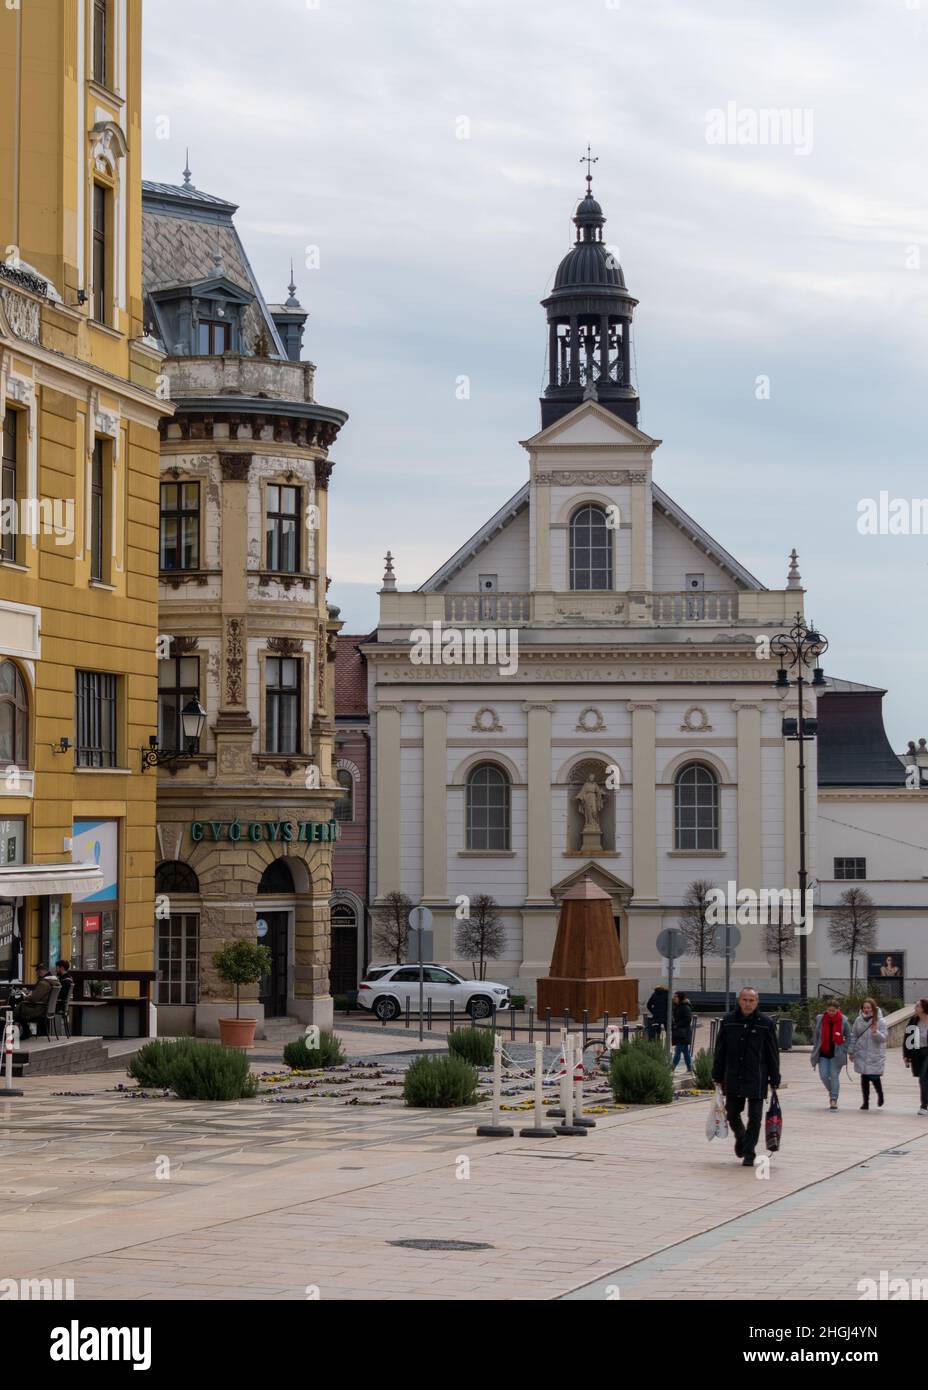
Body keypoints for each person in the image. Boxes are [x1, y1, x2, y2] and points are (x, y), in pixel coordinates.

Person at [712, 986, 781, 1167]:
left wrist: (775, 1078)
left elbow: (772, 1053)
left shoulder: (765, 1023)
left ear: (757, 1002)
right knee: (732, 1113)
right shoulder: (728, 1022)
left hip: (757, 1076)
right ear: (739, 1001)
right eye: (745, 999)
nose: (748, 1003)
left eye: (752, 1000)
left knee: (755, 1116)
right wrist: (717, 1074)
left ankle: (749, 1152)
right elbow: (720, 1050)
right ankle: (741, 1138)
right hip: (734, 1075)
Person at [810, 998, 851, 1110]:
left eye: (833, 1010)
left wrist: (844, 1048)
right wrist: (815, 1045)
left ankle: (833, 1098)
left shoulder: (843, 1020)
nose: (831, 1012)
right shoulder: (820, 1019)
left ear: (838, 1010)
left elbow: (849, 1036)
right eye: (829, 1010)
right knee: (823, 1076)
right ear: (826, 1009)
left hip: (836, 1054)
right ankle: (832, 1090)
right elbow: (816, 1035)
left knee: (834, 1076)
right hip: (823, 1053)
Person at [849, 998, 888, 1109]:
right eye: (865, 1007)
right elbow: (854, 1035)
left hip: (874, 1053)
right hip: (861, 1053)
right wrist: (851, 1051)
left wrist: (876, 1033)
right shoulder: (858, 1020)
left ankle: (880, 1094)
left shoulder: (880, 1021)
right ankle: (865, 1102)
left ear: (874, 1008)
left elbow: (884, 1038)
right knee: (864, 1077)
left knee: (875, 1077)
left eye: (869, 1008)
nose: (866, 1010)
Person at [11, 963, 56, 1040]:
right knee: (19, 1010)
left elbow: (34, 998)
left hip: (38, 1009)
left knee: (17, 1011)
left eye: (38, 972)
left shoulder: (44, 983)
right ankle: (26, 1032)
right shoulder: (53, 981)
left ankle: (23, 1032)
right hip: (44, 1008)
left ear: (43, 971)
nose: (37, 974)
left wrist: (26, 997)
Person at [902, 997, 928, 1117]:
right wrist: (906, 1055)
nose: (915, 1008)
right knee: (923, 1079)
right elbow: (908, 1039)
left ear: (924, 1008)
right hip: (918, 1053)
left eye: (917, 1006)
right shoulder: (914, 1021)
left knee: (923, 1077)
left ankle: (924, 1106)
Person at [671, 991, 694, 1071]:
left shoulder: (685, 1007)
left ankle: (671, 1068)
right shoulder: (678, 1006)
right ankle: (690, 1067)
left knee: (678, 1051)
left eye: (676, 997)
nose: (674, 998)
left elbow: (688, 1019)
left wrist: (677, 1025)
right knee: (685, 1051)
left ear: (680, 998)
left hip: (683, 1033)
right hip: (680, 1032)